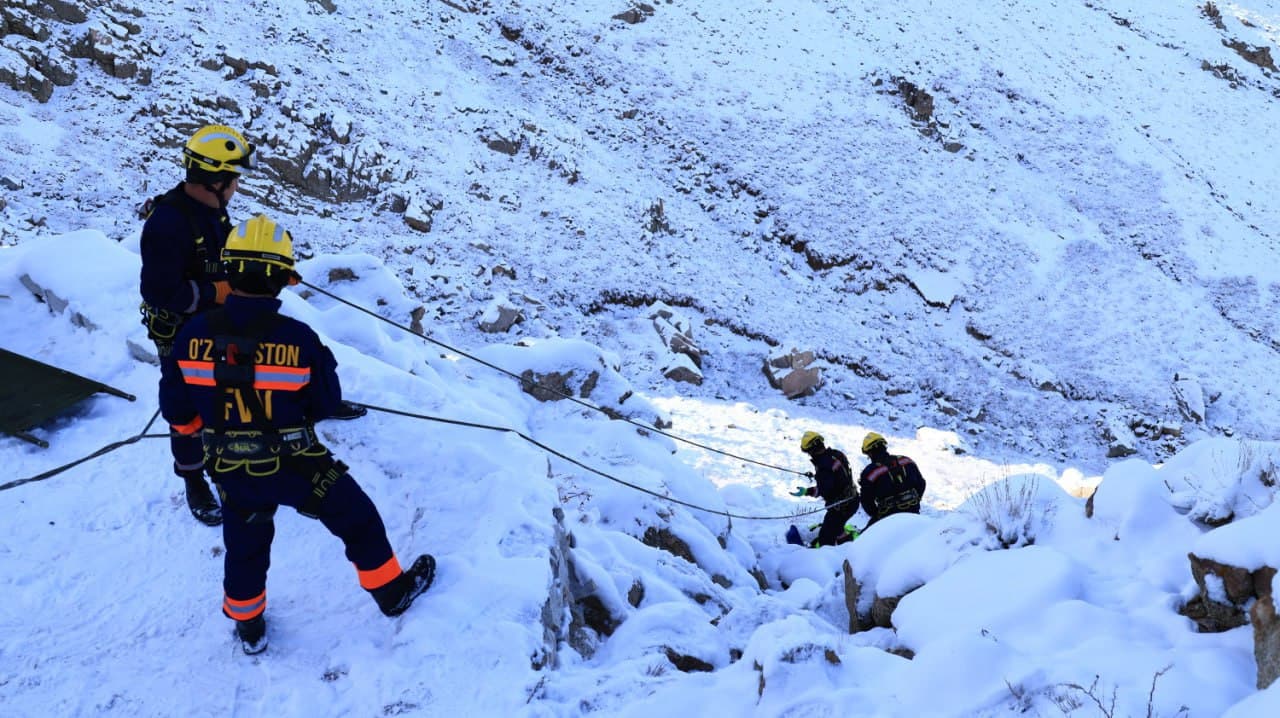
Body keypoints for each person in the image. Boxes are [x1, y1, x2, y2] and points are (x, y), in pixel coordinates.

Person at [159, 215, 434, 654]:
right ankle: (391, 593)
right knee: (357, 519)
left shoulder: (190, 337)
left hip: (230, 469)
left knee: (245, 546)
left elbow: (178, 413)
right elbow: (326, 404)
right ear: (280, 280)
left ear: (229, 270)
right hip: (300, 467)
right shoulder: (300, 340)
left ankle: (248, 626)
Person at [140, 124, 365, 526]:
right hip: (184, 334)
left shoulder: (211, 210)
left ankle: (314, 402)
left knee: (257, 374)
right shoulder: (167, 224)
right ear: (216, 180)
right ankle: (193, 479)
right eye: (235, 178)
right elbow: (159, 292)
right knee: (185, 412)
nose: (238, 186)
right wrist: (218, 292)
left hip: (224, 319)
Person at [790, 431, 860, 547]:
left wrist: (807, 491)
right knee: (837, 528)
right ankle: (845, 541)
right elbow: (837, 476)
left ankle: (833, 556)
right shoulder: (837, 454)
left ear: (811, 450)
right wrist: (819, 477)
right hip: (853, 500)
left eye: (808, 452)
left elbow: (823, 489)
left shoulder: (824, 466)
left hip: (841, 508)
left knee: (825, 539)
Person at [857, 432, 926, 527]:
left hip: (887, 518)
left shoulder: (870, 472)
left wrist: (876, 515)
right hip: (913, 512)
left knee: (865, 538)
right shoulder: (906, 461)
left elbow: (866, 501)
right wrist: (915, 501)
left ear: (870, 452)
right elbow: (921, 483)